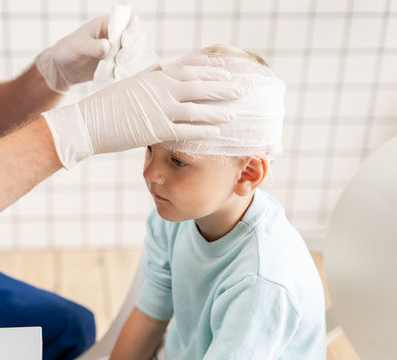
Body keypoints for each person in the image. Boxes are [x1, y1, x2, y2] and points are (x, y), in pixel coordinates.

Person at [0, 1, 243, 359]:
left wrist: (54, 73)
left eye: (177, 160)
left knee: (68, 328)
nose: (151, 175)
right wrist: (77, 130)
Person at [110, 45, 327, 359]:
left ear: (247, 174)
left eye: (178, 162)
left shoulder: (262, 281)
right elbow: (150, 314)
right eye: (149, 148)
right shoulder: (172, 215)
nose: (150, 173)